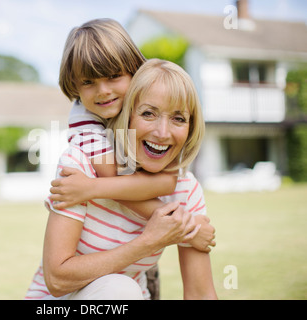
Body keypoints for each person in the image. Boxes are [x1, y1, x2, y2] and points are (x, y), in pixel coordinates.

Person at [25, 58, 217, 300]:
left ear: (191, 127)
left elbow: (201, 294)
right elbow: (57, 280)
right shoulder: (80, 167)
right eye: (148, 113)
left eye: (178, 118)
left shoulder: (185, 189)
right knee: (119, 290)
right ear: (127, 115)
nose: (162, 133)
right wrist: (148, 242)